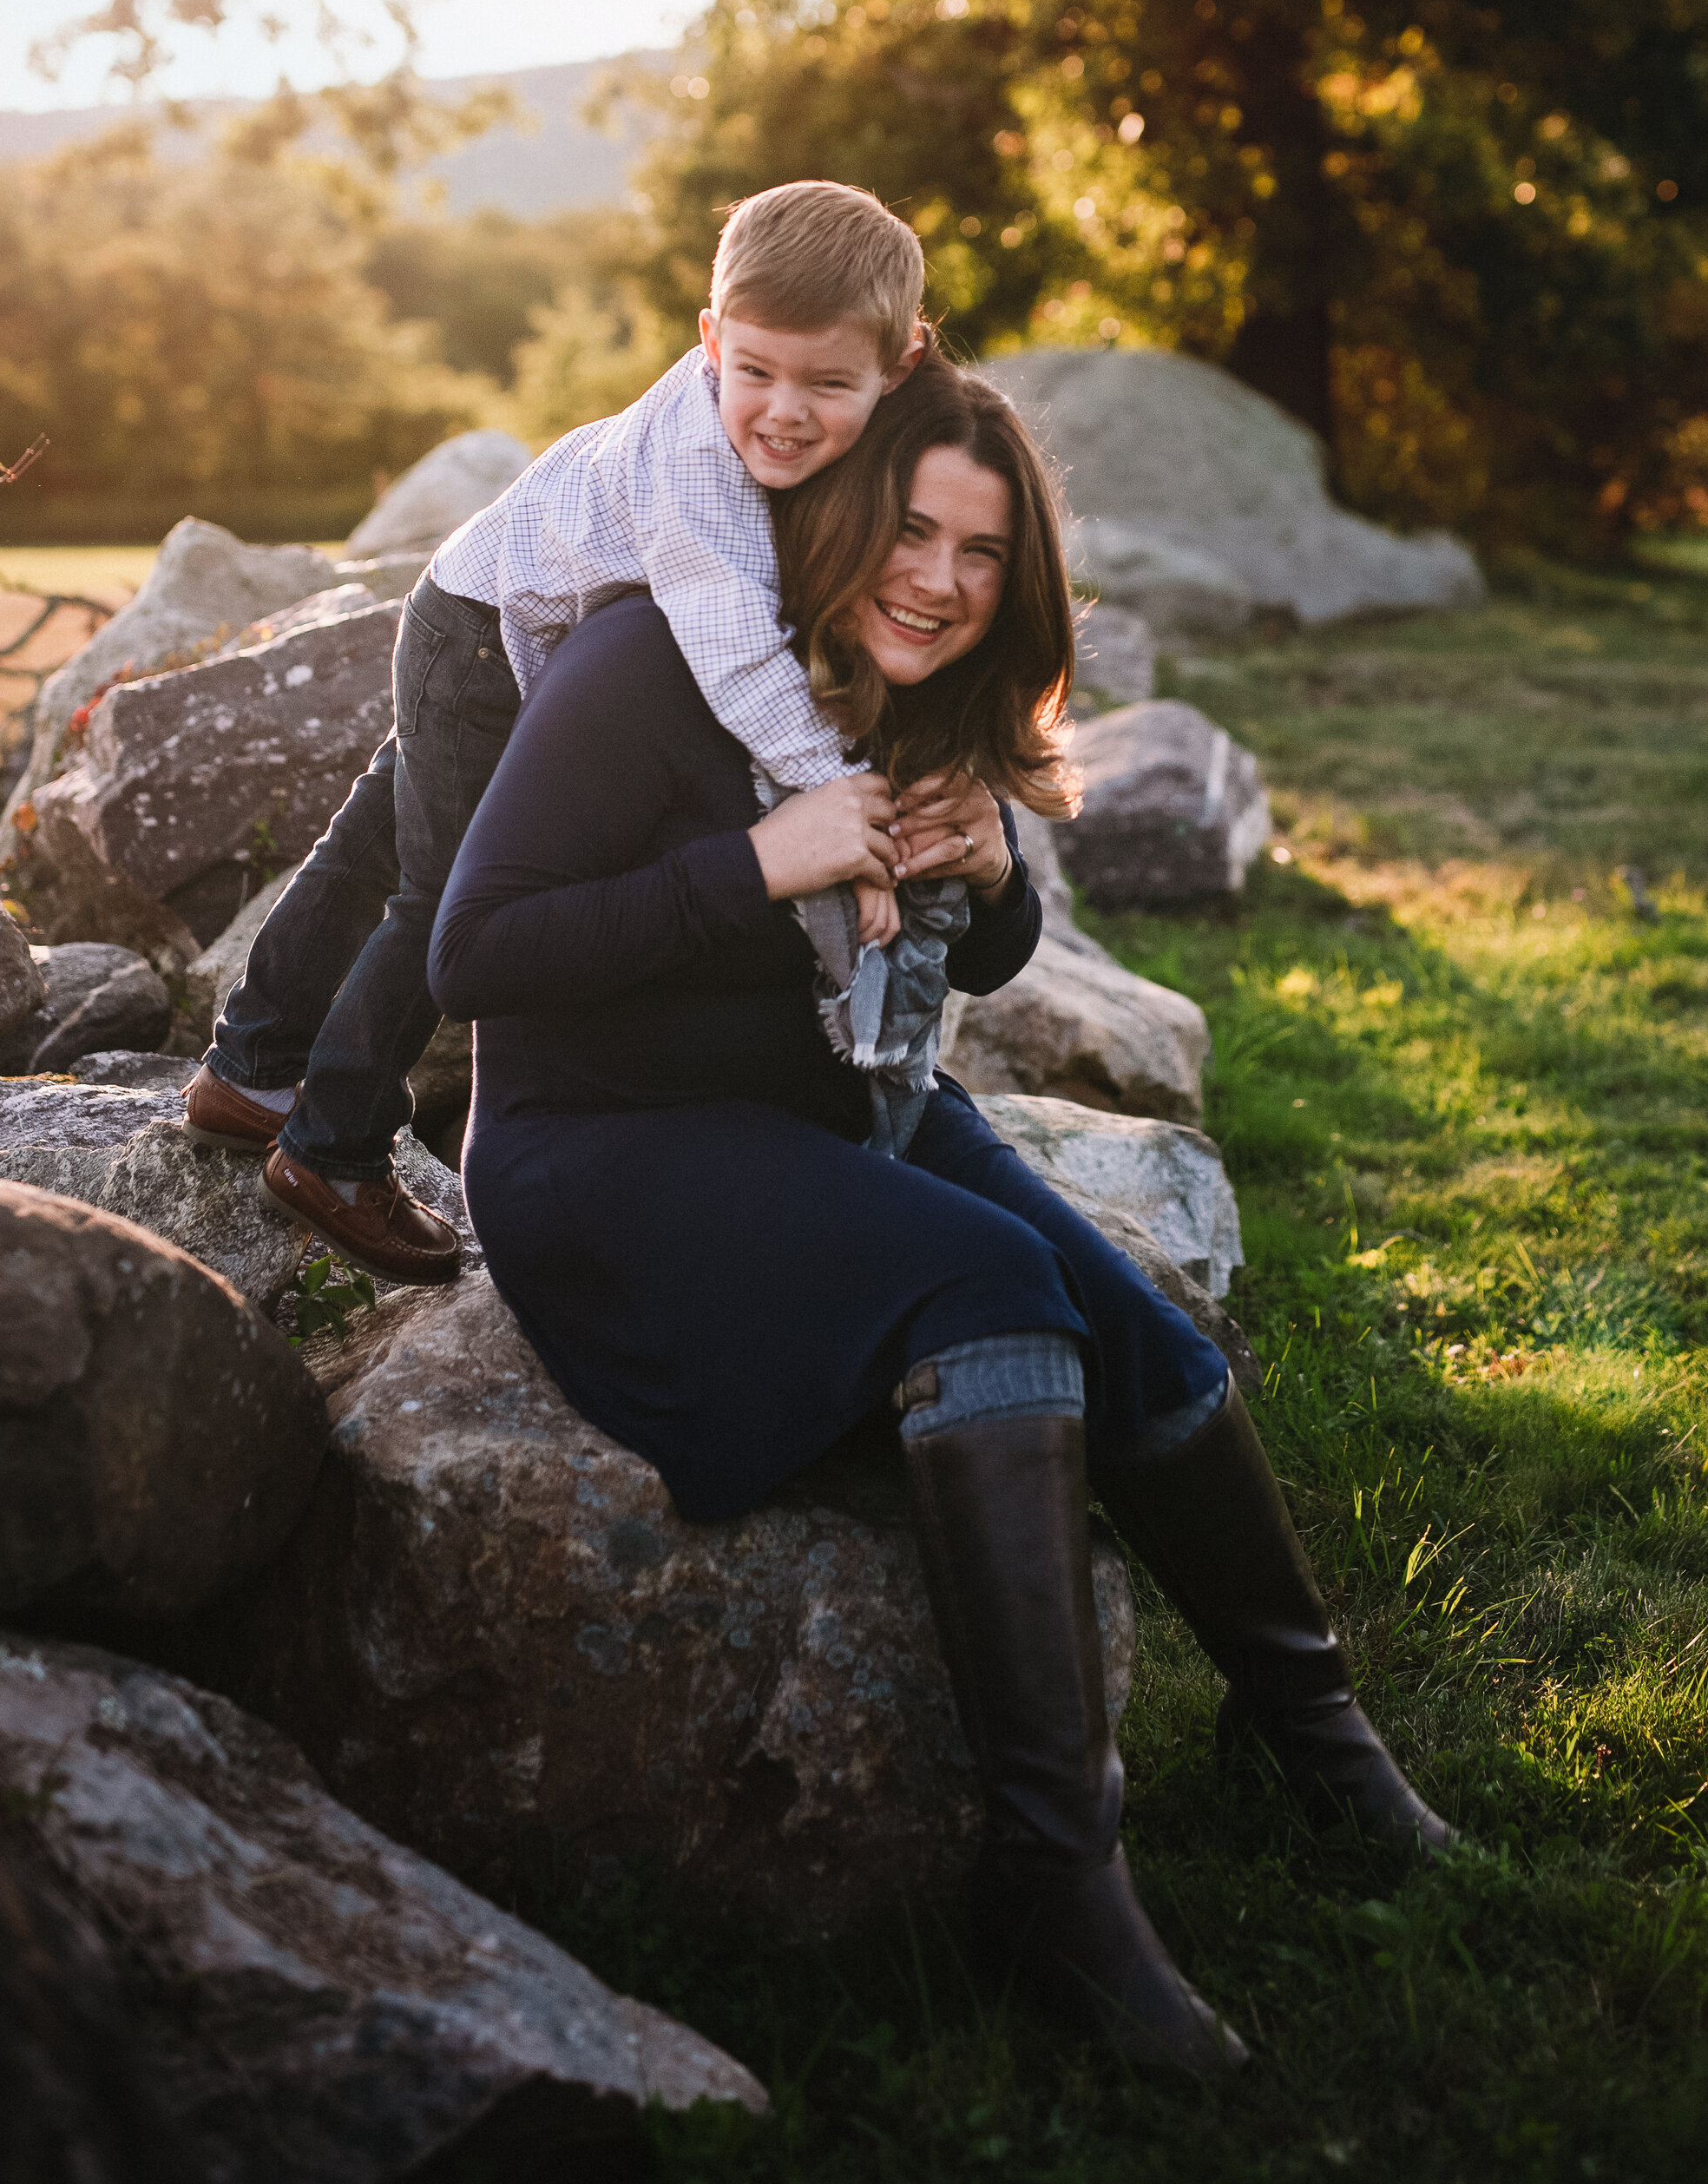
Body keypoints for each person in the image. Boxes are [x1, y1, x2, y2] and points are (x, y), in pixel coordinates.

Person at [429, 356, 1452, 2080]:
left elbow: (968, 955)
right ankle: (1054, 1887)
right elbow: (474, 954)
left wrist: (987, 879)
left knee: (1147, 1342)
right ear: (839, 518)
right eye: (910, 531)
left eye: (981, 557)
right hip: (598, 1145)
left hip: (833, 1107)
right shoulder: (652, 662)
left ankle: (1313, 1738)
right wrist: (748, 868)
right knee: (988, 1290)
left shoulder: (904, 688)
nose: (935, 581)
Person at [181, 179, 927, 1283]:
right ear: (711, 337)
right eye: (756, 372)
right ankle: (331, 1148)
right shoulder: (695, 475)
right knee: (437, 892)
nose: (782, 411)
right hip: (483, 640)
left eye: (828, 384)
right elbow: (734, 662)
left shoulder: (851, 412)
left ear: (900, 366)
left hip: (479, 610)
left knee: (375, 836)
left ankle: (251, 1061)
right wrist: (833, 793)